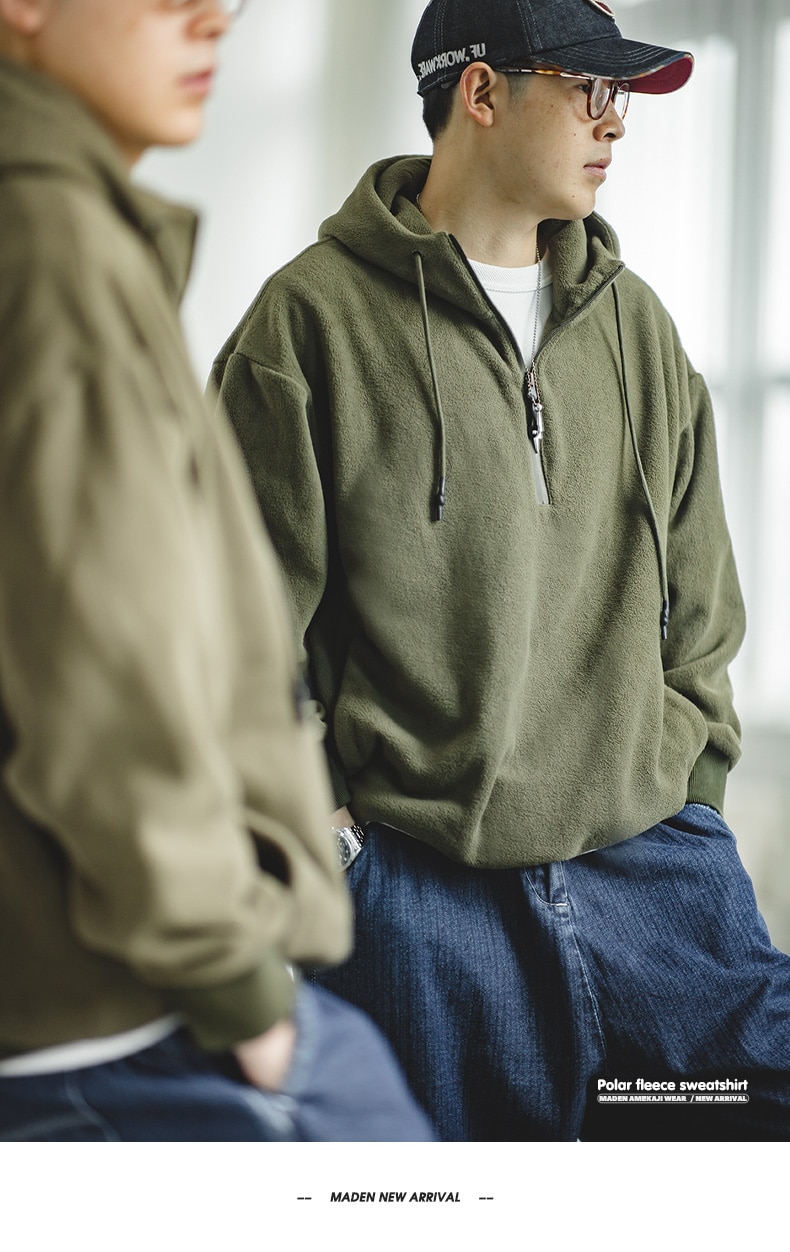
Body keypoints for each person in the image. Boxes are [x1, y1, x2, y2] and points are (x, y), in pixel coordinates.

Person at [210, 0, 790, 1141]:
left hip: (650, 875)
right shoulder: (307, 322)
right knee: (448, 1198)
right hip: (420, 894)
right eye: (588, 89)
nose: (614, 122)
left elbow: (703, 609)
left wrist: (690, 799)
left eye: (620, 96)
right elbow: (237, 633)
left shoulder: (637, 327)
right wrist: (334, 843)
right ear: (479, 92)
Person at [0, 0, 434, 1143]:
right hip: (125, 1011)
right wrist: (238, 989)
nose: (210, 17)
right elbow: (101, 671)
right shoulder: (52, 244)